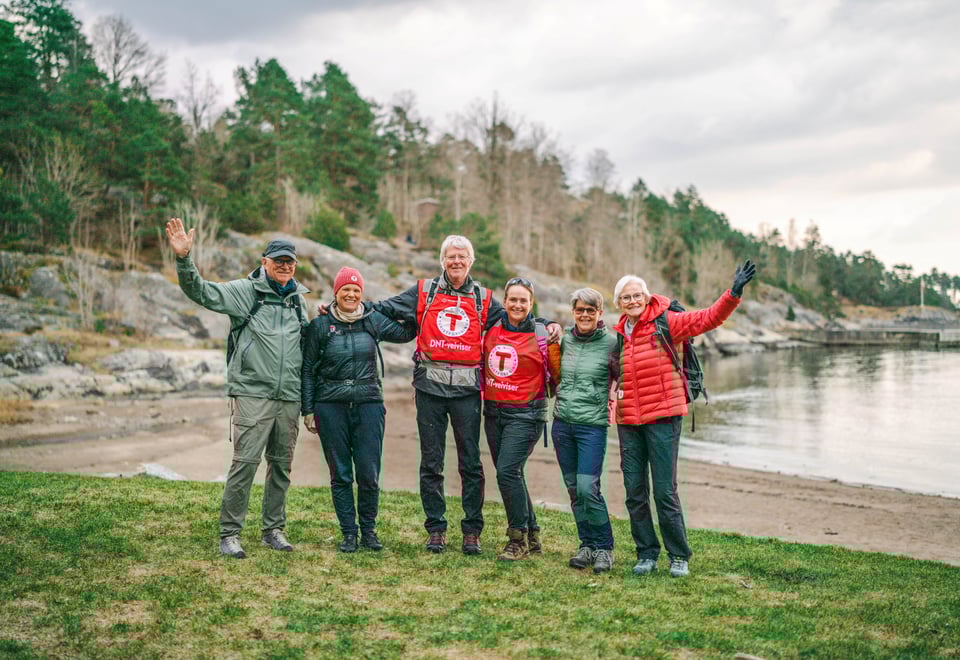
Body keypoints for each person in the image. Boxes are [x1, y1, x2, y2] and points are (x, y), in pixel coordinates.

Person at [369, 235, 561, 555]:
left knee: (470, 464)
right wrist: (350, 308)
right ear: (442, 260)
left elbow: (518, 319)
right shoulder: (424, 291)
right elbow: (385, 307)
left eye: (462, 256)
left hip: (467, 394)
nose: (456, 261)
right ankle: (436, 529)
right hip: (429, 390)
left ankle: (472, 530)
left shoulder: (484, 299)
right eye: (451, 256)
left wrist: (548, 323)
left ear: (471, 262)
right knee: (431, 463)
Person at [165, 218, 309, 559]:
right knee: (244, 464)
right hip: (252, 394)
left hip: (288, 397)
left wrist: (308, 401)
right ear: (264, 263)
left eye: (290, 262)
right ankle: (229, 534)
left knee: (281, 467)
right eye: (279, 262)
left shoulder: (298, 301)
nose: (285, 267)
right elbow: (200, 290)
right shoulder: (244, 292)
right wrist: (184, 259)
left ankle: (273, 529)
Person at [613, 260, 756, 578]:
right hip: (628, 421)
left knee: (664, 491)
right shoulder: (619, 333)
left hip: (663, 417)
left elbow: (708, 318)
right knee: (634, 491)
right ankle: (646, 553)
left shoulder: (668, 322)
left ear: (647, 297)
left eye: (637, 295)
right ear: (619, 304)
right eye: (626, 298)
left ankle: (678, 555)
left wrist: (733, 293)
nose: (633, 301)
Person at [301, 267, 415, 553]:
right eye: (345, 290)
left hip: (369, 405)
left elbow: (406, 332)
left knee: (368, 472)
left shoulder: (372, 320)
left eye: (356, 290)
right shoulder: (320, 325)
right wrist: (308, 409)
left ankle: (369, 531)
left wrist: (406, 311)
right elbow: (307, 371)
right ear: (336, 293)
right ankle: (349, 533)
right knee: (340, 474)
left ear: (361, 294)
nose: (351, 294)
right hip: (330, 406)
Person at [483, 276, 558, 560]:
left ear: (531, 303)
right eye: (512, 299)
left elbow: (557, 374)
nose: (517, 304)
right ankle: (533, 532)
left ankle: (517, 540)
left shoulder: (542, 333)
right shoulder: (490, 325)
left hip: (527, 414)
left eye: (523, 300)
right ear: (504, 302)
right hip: (493, 412)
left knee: (506, 472)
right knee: (512, 473)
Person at [548, 288, 618, 574]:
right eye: (580, 310)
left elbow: (630, 375)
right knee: (575, 489)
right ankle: (586, 545)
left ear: (600, 313)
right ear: (573, 312)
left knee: (589, 489)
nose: (585, 315)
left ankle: (604, 548)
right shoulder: (564, 342)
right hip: (562, 424)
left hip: (592, 426)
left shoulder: (612, 344)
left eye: (591, 310)